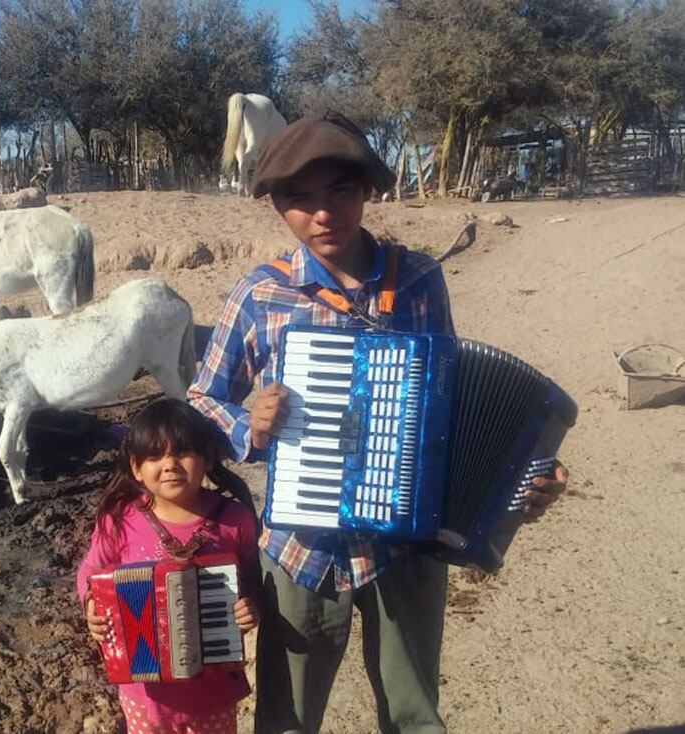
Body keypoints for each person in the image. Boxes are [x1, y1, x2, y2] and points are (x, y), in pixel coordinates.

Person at [187, 114, 569, 734]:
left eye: (339, 190)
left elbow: (455, 401)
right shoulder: (259, 293)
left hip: (406, 545)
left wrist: (518, 476)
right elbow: (204, 397)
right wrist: (246, 424)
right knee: (288, 716)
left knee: (415, 711)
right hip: (303, 548)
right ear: (277, 207)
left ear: (367, 189)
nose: (321, 213)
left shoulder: (418, 278)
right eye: (298, 199)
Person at [76, 398, 262, 734]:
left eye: (183, 452)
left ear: (206, 459)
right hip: (145, 694)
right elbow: (90, 571)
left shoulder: (234, 520)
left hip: (213, 692)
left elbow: (252, 580)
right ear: (135, 468)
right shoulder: (118, 520)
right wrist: (91, 602)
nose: (170, 464)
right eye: (154, 456)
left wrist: (250, 606)